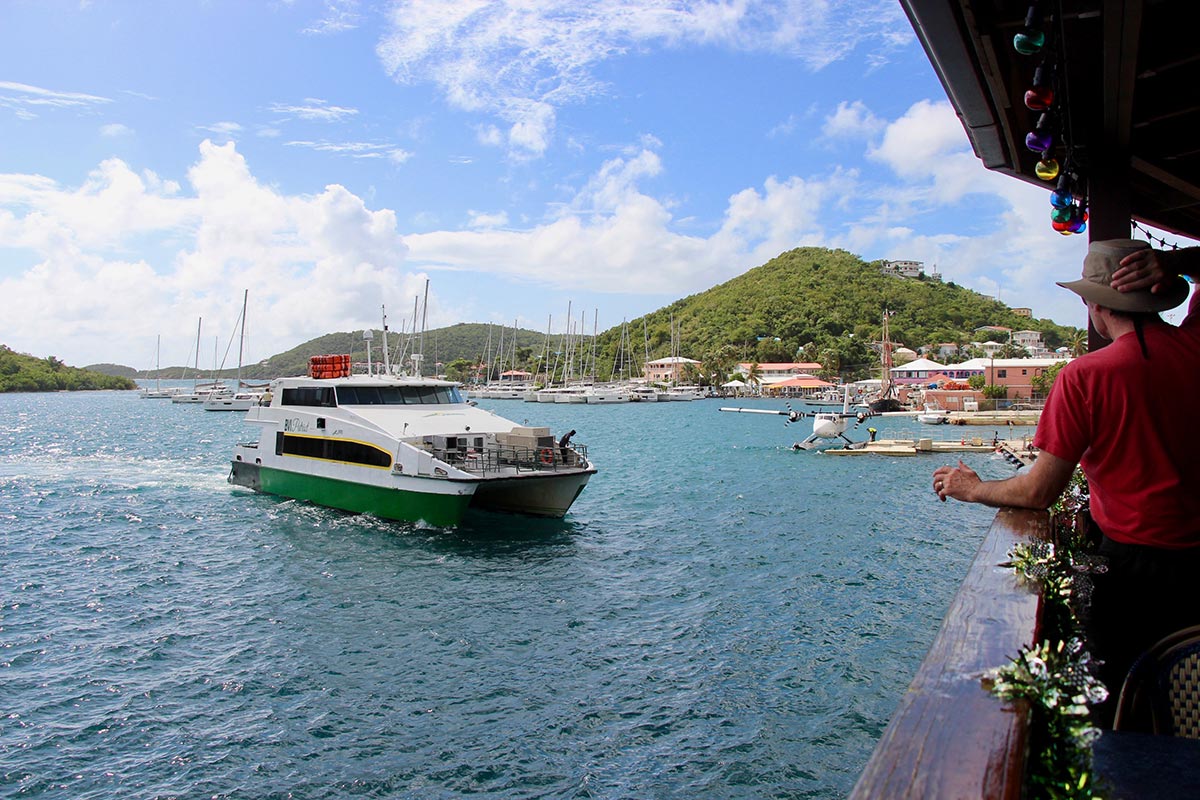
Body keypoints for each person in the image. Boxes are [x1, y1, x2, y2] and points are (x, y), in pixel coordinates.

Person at [932, 239, 1200, 722]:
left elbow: (1038, 492)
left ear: (1094, 304)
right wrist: (1177, 262)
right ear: (1158, 294)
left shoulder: (1086, 376)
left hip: (1135, 576)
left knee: (1124, 714)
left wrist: (971, 488)